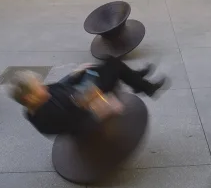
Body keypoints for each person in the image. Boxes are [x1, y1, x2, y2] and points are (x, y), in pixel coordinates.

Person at [9, 57, 168, 136]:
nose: (44, 86)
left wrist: (74, 74)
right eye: (38, 87)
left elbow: (60, 86)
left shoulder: (42, 98)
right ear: (30, 98)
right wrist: (95, 101)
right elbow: (78, 117)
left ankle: (134, 77)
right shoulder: (47, 115)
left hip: (77, 90)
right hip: (87, 102)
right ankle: (143, 85)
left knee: (107, 62)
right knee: (113, 68)